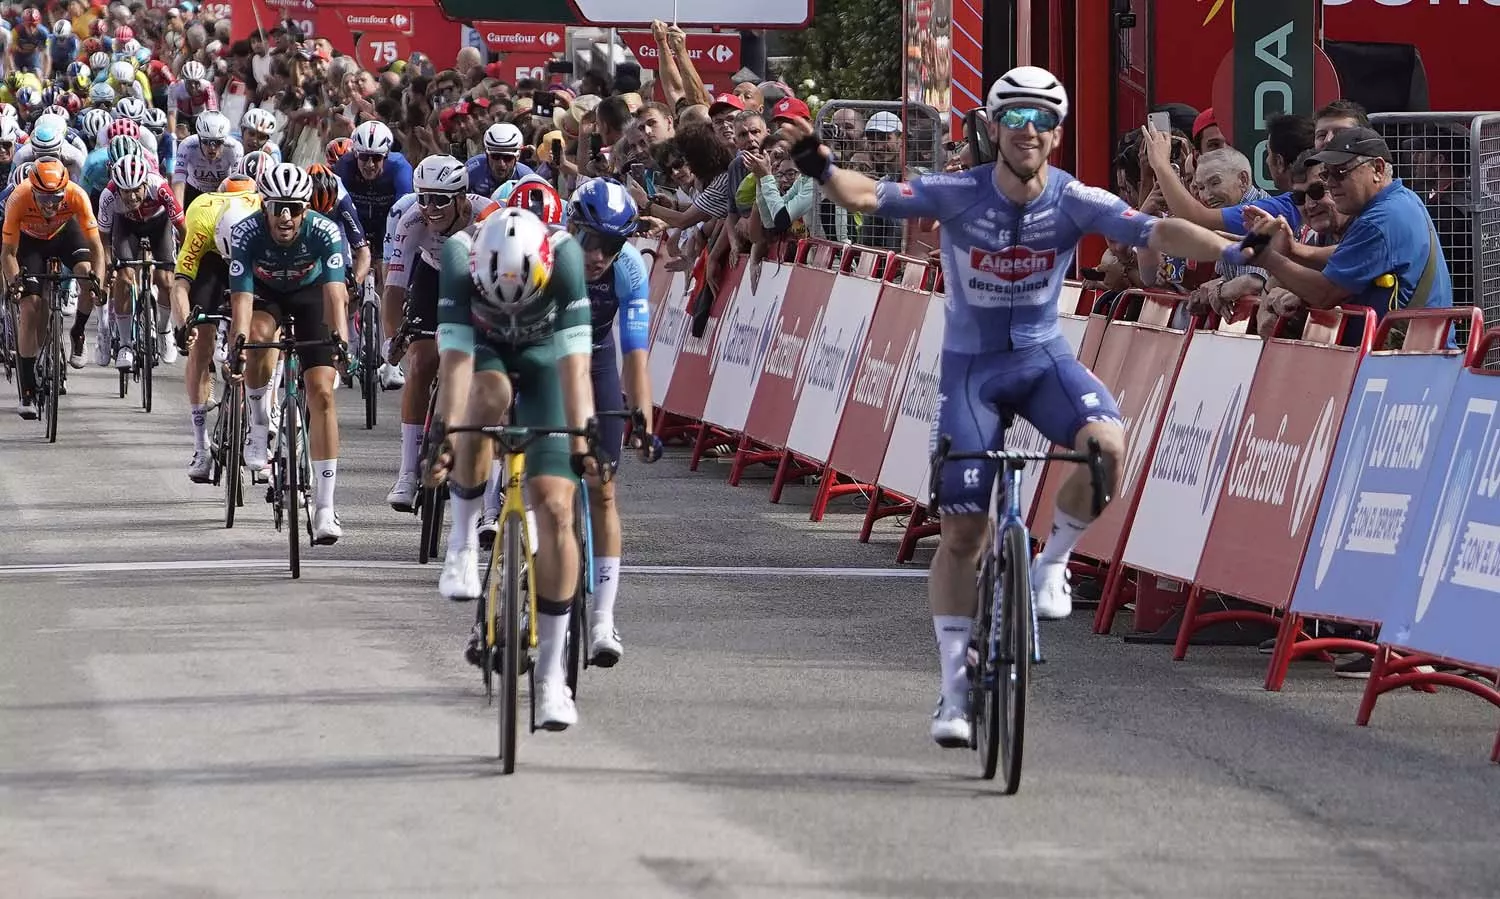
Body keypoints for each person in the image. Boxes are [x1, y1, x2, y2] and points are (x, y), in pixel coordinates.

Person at [782, 66, 1250, 747]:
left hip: (1040, 361)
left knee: (1107, 446)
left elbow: (1160, 234)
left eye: (1042, 121)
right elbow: (869, 194)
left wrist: (1238, 249)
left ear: (1056, 137)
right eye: (1016, 118)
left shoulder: (1073, 200)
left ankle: (1053, 559)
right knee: (964, 533)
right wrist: (816, 162)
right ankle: (954, 683)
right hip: (972, 371)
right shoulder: (955, 193)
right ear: (995, 128)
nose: (1028, 131)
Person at [427, 207, 595, 730]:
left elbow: (575, 369)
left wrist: (584, 438)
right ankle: (460, 546)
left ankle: (550, 681)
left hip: (547, 358)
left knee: (556, 505)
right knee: (486, 393)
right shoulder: (459, 256)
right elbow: (454, 365)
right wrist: (443, 434)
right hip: (487, 352)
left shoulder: (565, 260)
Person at [558, 177, 663, 665]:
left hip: (596, 355)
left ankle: (602, 618)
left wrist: (643, 420)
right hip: (545, 353)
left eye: (612, 243)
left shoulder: (628, 271)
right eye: (590, 240)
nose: (599, 254)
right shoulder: (548, 257)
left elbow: (635, 357)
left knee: (602, 487)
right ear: (571, 228)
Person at [227, 162, 351, 544]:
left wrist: (341, 342)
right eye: (277, 206)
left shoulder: (325, 231)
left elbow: (335, 295)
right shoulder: (245, 232)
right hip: (265, 295)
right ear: (264, 205)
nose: (285, 216)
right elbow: (242, 300)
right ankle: (260, 424)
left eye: (294, 208)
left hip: (310, 292)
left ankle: (326, 509)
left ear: (306, 209)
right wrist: (238, 345)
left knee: (322, 393)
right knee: (259, 339)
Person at [382, 155, 498, 520]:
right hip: (432, 279)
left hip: (480, 283)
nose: (430, 208)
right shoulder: (412, 218)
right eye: (424, 197)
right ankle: (407, 472)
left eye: (440, 199)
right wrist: (391, 340)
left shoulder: (488, 217)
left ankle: (491, 496)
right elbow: (394, 287)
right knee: (421, 362)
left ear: (462, 197)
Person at [1244, 127, 1452, 323]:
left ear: (1378, 169)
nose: (1331, 183)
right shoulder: (1402, 199)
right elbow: (1347, 255)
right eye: (1327, 174)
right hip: (1414, 352)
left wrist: (1268, 259)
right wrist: (1292, 250)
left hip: (1405, 356)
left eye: (1341, 172)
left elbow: (1324, 294)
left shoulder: (1378, 221)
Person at [173, 173, 261, 482]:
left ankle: (263, 427)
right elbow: (181, 285)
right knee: (201, 343)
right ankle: (201, 446)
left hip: (253, 258)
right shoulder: (201, 218)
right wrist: (185, 324)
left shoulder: (262, 216)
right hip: (211, 258)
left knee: (259, 336)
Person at [3, 158, 104, 418]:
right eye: (43, 198)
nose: (49, 204)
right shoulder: (18, 198)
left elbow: (96, 249)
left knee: (85, 274)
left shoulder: (77, 195)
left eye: (56, 197)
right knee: (30, 307)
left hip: (65, 234)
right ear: (32, 189)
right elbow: (8, 254)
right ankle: (26, 389)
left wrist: (98, 283)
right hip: (31, 243)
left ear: (65, 190)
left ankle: (77, 331)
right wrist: (15, 283)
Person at [96, 152, 184, 374]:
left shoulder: (160, 187)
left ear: (146, 183)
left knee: (166, 280)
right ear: (118, 188)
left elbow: (182, 228)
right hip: (126, 227)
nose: (132, 196)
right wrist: (108, 262)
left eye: (137, 189)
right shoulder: (108, 196)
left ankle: (164, 331)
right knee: (124, 279)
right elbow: (103, 238)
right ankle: (125, 344)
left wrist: (183, 257)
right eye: (126, 191)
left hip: (158, 223)